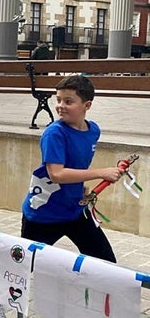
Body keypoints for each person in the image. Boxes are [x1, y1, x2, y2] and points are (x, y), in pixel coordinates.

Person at [21, 75, 123, 263]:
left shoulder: (93, 131)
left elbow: (76, 164)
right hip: (44, 214)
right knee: (23, 266)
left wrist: (81, 185)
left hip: (75, 210)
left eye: (68, 101)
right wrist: (101, 173)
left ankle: (100, 292)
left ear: (87, 105)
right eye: (58, 100)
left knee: (106, 263)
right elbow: (57, 174)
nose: (60, 106)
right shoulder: (54, 133)